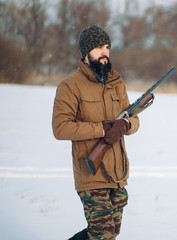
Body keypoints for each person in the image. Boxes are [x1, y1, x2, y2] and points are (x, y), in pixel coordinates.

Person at [52, 25, 140, 240]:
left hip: (118, 174)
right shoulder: (70, 86)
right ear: (86, 52)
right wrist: (102, 128)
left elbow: (135, 119)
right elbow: (60, 128)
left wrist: (126, 126)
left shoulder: (116, 82)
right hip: (91, 172)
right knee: (104, 234)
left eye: (108, 47)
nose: (105, 52)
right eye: (99, 47)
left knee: (107, 234)